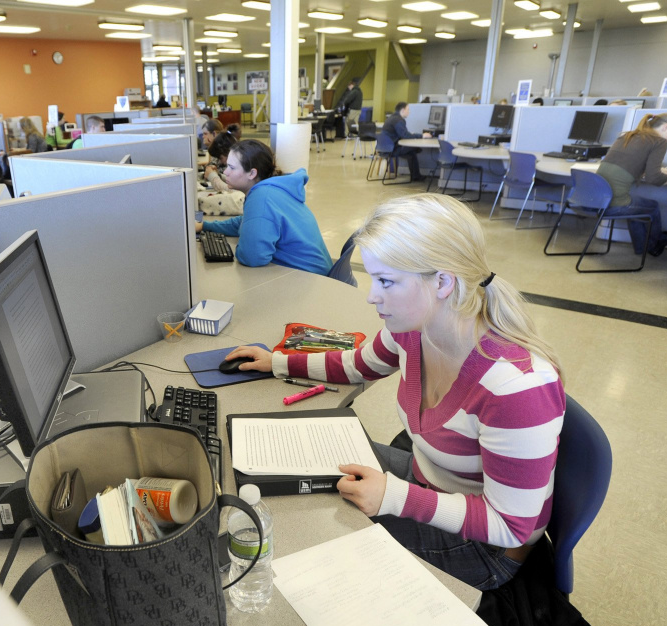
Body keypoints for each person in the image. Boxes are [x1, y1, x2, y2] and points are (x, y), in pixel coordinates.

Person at [223, 193, 566, 590]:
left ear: (442, 282)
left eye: (386, 281)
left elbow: (511, 526)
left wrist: (395, 497)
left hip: (484, 546)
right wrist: (277, 362)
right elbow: (357, 365)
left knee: (318, 535)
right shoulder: (412, 329)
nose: (372, 295)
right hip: (427, 480)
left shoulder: (517, 388)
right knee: (297, 461)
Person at [199, 139, 332, 275]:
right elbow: (246, 221)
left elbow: (251, 257)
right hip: (313, 274)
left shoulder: (262, 197)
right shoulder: (273, 188)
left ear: (252, 173)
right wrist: (205, 226)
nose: (226, 172)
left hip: (310, 279)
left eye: (232, 168)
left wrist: (244, 240)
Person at [596, 112, 667, 256]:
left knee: (640, 206)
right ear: (666, 127)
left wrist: (660, 170)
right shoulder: (658, 141)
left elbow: (628, 164)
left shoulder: (628, 135)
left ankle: (644, 246)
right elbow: (654, 179)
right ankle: (653, 245)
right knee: (652, 207)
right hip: (613, 204)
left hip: (595, 200)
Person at [382, 102, 432, 182]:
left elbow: (402, 134)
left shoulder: (392, 118)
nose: (409, 112)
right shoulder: (399, 120)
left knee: (411, 153)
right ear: (402, 110)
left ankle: (416, 176)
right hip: (392, 149)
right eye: (408, 110)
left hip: (386, 148)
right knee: (414, 149)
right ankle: (416, 176)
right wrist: (422, 136)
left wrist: (409, 134)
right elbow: (405, 135)